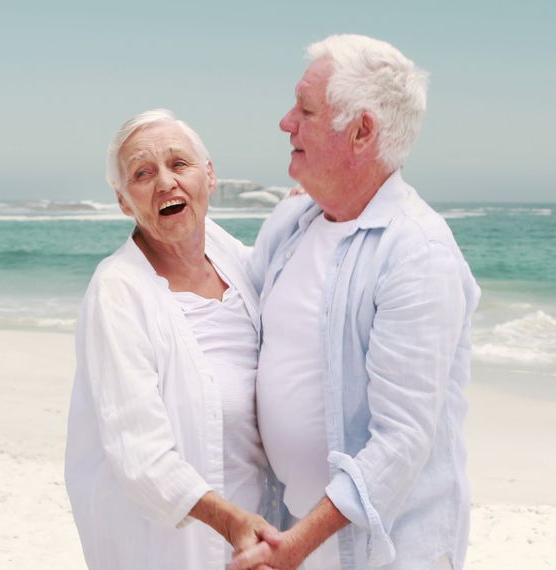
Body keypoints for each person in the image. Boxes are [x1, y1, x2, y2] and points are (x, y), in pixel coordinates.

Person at [234, 35, 480, 570]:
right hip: (292, 530)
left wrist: (296, 546)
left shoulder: (418, 252)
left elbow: (400, 442)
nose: (285, 122)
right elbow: (236, 313)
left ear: (361, 131)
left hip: (383, 553)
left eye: (305, 109)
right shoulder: (292, 224)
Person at [64, 109, 281, 569]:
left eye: (178, 164)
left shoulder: (239, 263)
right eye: (142, 173)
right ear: (125, 202)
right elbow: (139, 455)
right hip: (174, 550)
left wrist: (308, 211)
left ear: (210, 175)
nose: (165, 182)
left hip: (258, 542)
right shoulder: (117, 293)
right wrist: (230, 523)